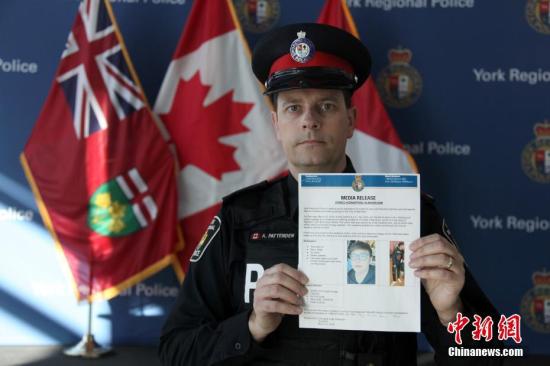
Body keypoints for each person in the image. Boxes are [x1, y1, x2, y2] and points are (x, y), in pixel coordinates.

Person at [159, 23, 502, 365]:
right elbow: (176, 351)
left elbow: (495, 354)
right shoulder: (238, 218)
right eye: (293, 108)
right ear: (277, 124)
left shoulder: (407, 214)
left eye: (326, 106)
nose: (310, 120)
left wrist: (451, 313)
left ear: (351, 120)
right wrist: (252, 326)